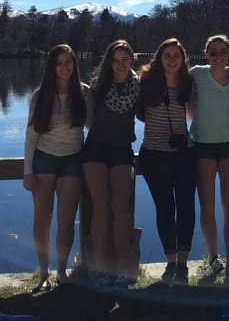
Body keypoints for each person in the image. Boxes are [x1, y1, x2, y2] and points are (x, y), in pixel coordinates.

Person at [23, 44, 89, 293]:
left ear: (75, 65)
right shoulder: (40, 96)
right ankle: (43, 273)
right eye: (60, 62)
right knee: (42, 219)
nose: (65, 66)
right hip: (44, 160)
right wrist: (27, 170)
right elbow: (31, 135)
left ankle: (61, 270)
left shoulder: (84, 93)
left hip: (73, 160)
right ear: (52, 66)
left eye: (69, 61)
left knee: (66, 221)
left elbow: (96, 125)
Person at [136, 38, 197, 285]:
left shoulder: (189, 82)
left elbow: (193, 113)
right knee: (164, 207)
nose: (172, 60)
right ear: (159, 58)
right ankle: (170, 260)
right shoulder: (147, 82)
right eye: (167, 55)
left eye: (177, 55)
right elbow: (137, 112)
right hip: (154, 154)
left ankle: (183, 262)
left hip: (184, 153)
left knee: (186, 206)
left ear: (183, 59)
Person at [81, 39, 140, 291]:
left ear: (132, 61)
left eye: (125, 59)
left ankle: (123, 271)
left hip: (122, 151)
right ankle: (99, 270)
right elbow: (86, 120)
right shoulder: (97, 86)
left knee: (121, 211)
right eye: (116, 60)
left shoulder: (138, 87)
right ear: (109, 62)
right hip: (95, 150)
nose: (120, 65)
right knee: (100, 208)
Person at [189, 34, 229, 282]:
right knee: (207, 207)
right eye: (213, 52)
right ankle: (214, 259)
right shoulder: (196, 74)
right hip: (202, 147)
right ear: (206, 53)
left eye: (223, 51)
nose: (218, 56)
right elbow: (174, 86)